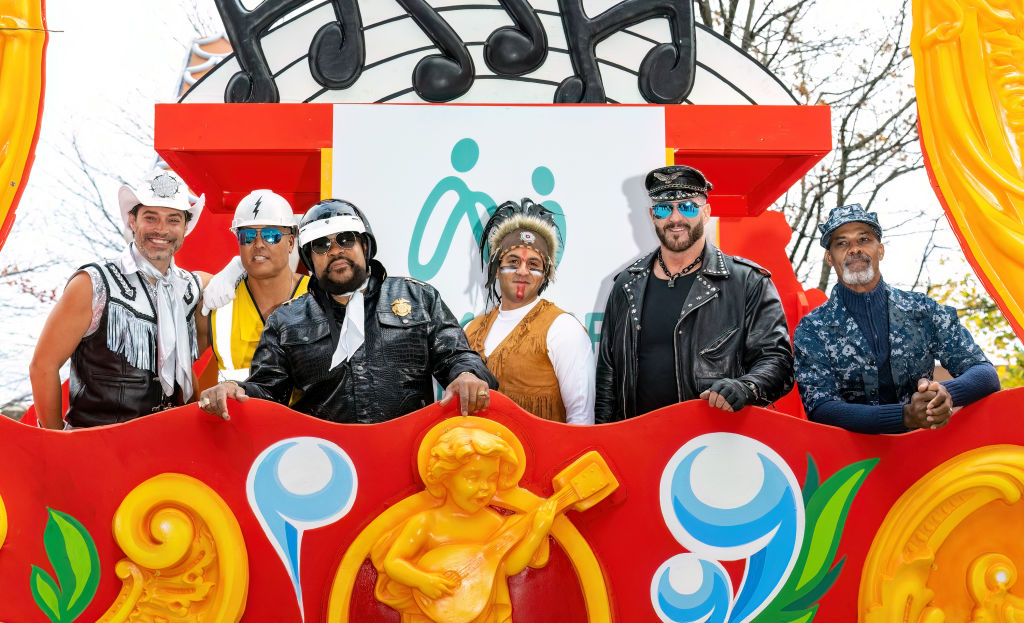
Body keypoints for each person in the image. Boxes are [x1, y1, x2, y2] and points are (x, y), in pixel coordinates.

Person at [197, 199, 497, 422]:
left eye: (345, 239)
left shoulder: (418, 297)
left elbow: (456, 356)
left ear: (365, 246)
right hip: (327, 468)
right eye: (321, 245)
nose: (335, 250)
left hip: (410, 461)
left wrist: (467, 374)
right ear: (309, 260)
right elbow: (267, 391)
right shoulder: (286, 321)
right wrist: (236, 390)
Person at [595, 165, 794, 422]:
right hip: (638, 444)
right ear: (652, 215)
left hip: (716, 441)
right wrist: (604, 438)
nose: (675, 218)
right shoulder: (626, 284)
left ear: (706, 212)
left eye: (687, 207)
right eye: (664, 208)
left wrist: (746, 387)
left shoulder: (747, 281)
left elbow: (777, 361)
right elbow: (607, 376)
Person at [793, 204, 1000, 433]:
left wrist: (942, 395)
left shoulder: (923, 310)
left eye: (864, 240)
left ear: (880, 250)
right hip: (853, 462)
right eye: (842, 243)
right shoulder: (813, 328)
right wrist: (905, 416)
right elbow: (821, 409)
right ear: (830, 258)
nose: (854, 249)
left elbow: (985, 374)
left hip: (924, 454)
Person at [29, 169, 207, 429]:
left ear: (185, 227)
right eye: (151, 217)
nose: (162, 229)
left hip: (168, 453)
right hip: (98, 451)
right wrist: (57, 447)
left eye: (173, 219)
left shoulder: (193, 289)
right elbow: (42, 366)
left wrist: (237, 267)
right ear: (132, 221)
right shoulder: (93, 283)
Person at [370, 426, 557, 623]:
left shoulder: (494, 522)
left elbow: (506, 567)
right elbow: (393, 562)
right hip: (434, 613)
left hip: (482, 614)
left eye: (492, 478)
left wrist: (537, 532)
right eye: (472, 478)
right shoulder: (426, 522)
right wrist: (423, 581)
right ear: (446, 477)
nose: (484, 488)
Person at [464, 198, 594, 424]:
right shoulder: (470, 330)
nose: (523, 271)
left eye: (534, 265)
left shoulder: (563, 329)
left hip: (545, 458)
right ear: (496, 269)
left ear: (545, 275)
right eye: (513, 261)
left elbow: (581, 419)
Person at [197, 190, 309, 382]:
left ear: (291, 242)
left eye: (271, 235)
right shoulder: (215, 301)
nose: (258, 244)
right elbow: (174, 371)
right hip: (236, 412)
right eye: (248, 236)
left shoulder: (318, 296)